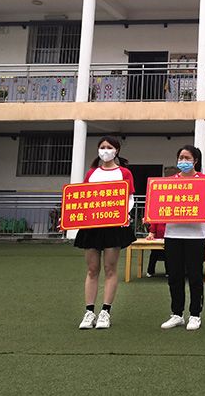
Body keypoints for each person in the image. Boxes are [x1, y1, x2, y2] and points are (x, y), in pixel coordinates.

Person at [75, 136, 136, 330]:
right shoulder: (92, 173)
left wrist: (122, 215)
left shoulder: (124, 173)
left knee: (110, 269)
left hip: (113, 226)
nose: (105, 150)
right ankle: (89, 312)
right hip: (91, 226)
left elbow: (129, 199)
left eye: (109, 147)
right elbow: (83, 198)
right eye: (102, 147)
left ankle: (105, 312)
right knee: (92, 269)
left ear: (116, 150)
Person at [160, 145, 205, 331]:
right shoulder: (169, 182)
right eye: (181, 158)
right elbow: (159, 202)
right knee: (174, 276)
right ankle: (177, 314)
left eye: (187, 158)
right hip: (172, 234)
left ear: (195, 161)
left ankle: (195, 314)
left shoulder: (204, 181)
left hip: (196, 235)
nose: (183, 161)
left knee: (195, 275)